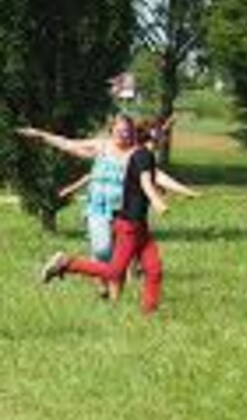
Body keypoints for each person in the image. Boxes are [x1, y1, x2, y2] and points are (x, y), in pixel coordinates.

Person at [18, 118, 198, 297]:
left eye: (128, 131)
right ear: (111, 132)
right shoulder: (101, 147)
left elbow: (156, 176)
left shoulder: (137, 154)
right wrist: (41, 135)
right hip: (98, 210)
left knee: (119, 259)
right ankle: (72, 266)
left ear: (133, 133)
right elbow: (68, 144)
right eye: (120, 131)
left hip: (125, 213)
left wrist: (185, 191)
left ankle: (114, 301)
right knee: (103, 250)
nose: (124, 135)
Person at [39, 121, 173, 314]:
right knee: (114, 271)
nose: (165, 139)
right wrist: (158, 201)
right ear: (155, 137)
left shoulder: (141, 154)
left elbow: (150, 180)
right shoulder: (142, 155)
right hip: (130, 225)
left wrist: (186, 192)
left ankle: (149, 314)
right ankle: (66, 263)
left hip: (139, 224)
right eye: (163, 135)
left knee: (154, 269)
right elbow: (146, 183)